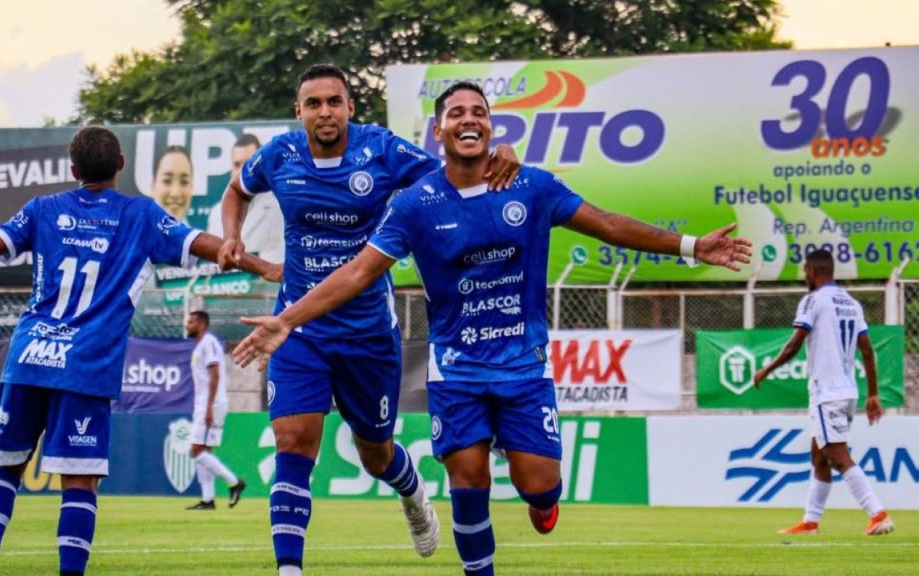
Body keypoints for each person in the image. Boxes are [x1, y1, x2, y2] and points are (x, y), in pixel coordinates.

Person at [232, 82, 753, 575]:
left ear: (491, 127)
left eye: (477, 113)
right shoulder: (415, 205)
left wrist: (690, 247)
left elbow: (610, 225)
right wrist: (286, 319)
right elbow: (359, 271)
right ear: (438, 132)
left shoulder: (532, 186)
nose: (467, 120)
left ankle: (535, 495)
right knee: (464, 477)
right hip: (454, 371)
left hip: (521, 368)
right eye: (455, 114)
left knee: (539, 487)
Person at [215, 65, 521, 576]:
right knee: (293, 441)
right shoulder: (279, 155)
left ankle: (412, 492)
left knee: (375, 456)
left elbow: (455, 172)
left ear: (350, 108)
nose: (325, 112)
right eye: (314, 104)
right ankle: (289, 569)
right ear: (300, 112)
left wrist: (497, 158)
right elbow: (236, 191)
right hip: (297, 326)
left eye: (335, 102)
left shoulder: (381, 149)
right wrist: (232, 236)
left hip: (368, 334)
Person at [0, 126, 278, 576]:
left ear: (72, 170)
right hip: (84, 367)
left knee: (5, 467)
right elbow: (211, 247)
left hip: (29, 358)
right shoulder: (140, 216)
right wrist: (263, 264)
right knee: (80, 481)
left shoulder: (43, 209)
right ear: (121, 166)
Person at [753, 249, 894, 537]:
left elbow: (794, 345)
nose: (804, 275)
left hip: (827, 392)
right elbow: (866, 349)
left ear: (814, 271)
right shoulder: (851, 303)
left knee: (838, 456)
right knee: (819, 457)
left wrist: (765, 370)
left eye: (805, 270)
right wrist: (873, 394)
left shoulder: (813, 300)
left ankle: (877, 513)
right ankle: (810, 522)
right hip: (847, 390)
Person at [184, 310, 247, 510]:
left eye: (191, 322)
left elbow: (215, 375)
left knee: (195, 451)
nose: (187, 325)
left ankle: (234, 482)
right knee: (204, 451)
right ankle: (208, 500)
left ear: (202, 324)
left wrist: (209, 407)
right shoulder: (200, 346)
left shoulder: (208, 343)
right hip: (205, 403)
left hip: (211, 404)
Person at [208, 133, 285, 262]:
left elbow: (277, 262)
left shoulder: (281, 209)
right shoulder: (216, 213)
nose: (241, 171)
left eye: (248, 164)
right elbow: (210, 262)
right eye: (237, 165)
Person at [152, 145, 194, 223]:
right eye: (167, 181)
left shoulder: (201, 235)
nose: (175, 193)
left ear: (192, 187)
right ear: (153, 186)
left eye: (184, 182)